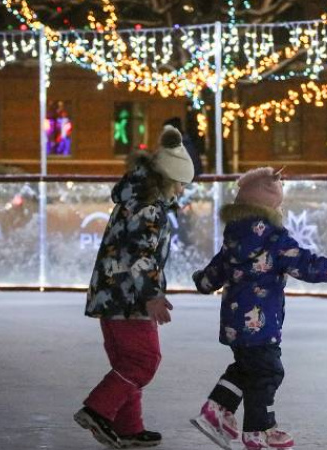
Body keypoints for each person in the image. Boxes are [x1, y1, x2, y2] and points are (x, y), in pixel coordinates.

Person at [190, 167, 327, 450]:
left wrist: (202, 281)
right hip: (261, 325)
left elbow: (216, 271)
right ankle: (258, 430)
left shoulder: (234, 238)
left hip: (235, 323)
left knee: (247, 369)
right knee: (269, 371)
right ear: (271, 206)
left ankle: (217, 411)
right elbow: (306, 264)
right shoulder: (274, 238)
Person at [74, 125, 195, 449]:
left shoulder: (135, 199)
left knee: (126, 363)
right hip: (129, 297)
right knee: (144, 360)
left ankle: (129, 427)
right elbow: (140, 255)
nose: (182, 191)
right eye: (181, 184)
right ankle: (98, 409)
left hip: (111, 294)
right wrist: (152, 295)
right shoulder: (149, 207)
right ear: (169, 180)